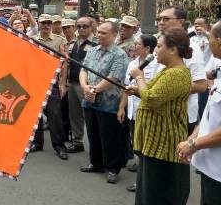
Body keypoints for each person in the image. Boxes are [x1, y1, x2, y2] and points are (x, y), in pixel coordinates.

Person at [125, 27, 192, 205]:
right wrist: (136, 90)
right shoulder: (168, 70)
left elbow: (153, 99)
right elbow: (153, 93)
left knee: (158, 194)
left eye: (159, 46)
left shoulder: (177, 73)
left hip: (163, 145)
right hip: (154, 143)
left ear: (173, 49)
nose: (155, 51)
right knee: (148, 192)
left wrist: (139, 78)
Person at [79, 21, 129, 184]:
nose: (99, 35)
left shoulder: (119, 54)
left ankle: (113, 168)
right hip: (89, 100)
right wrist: (86, 88)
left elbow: (114, 78)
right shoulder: (92, 50)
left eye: (103, 33)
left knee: (109, 135)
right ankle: (96, 163)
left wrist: (94, 90)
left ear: (114, 35)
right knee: (93, 133)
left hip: (109, 103)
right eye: (98, 32)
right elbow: (83, 70)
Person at [178, 21, 221, 205]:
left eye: (210, 37)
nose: (208, 42)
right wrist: (193, 138)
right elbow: (210, 114)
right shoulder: (219, 70)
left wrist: (194, 144)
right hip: (210, 166)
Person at [156, 6, 207, 135]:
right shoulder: (161, 43)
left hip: (180, 116)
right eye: (159, 18)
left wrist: (167, 90)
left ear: (180, 22)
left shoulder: (190, 47)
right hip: (160, 112)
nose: (161, 22)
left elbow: (201, 85)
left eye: (166, 19)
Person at [120, 34, 159, 193]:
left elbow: (154, 90)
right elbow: (125, 88)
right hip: (133, 113)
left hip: (149, 113)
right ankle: (142, 179)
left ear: (147, 48)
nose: (133, 47)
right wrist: (121, 107)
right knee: (137, 146)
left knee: (147, 148)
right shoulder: (132, 64)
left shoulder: (157, 65)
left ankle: (145, 182)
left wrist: (139, 84)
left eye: (137, 44)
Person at [30, 13, 69, 160]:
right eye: (43, 23)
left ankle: (59, 146)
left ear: (52, 25)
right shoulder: (32, 40)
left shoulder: (60, 40)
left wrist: (62, 84)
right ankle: (37, 142)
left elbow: (65, 64)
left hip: (52, 82)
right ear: (39, 24)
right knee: (36, 115)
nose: (45, 26)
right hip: (36, 81)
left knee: (55, 115)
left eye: (48, 23)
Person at [66, 17, 96, 154]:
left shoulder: (96, 43)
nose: (81, 29)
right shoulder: (73, 42)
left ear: (91, 27)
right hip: (72, 82)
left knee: (89, 116)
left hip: (87, 85)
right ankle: (77, 142)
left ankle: (95, 146)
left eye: (84, 26)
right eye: (78, 26)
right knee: (75, 114)